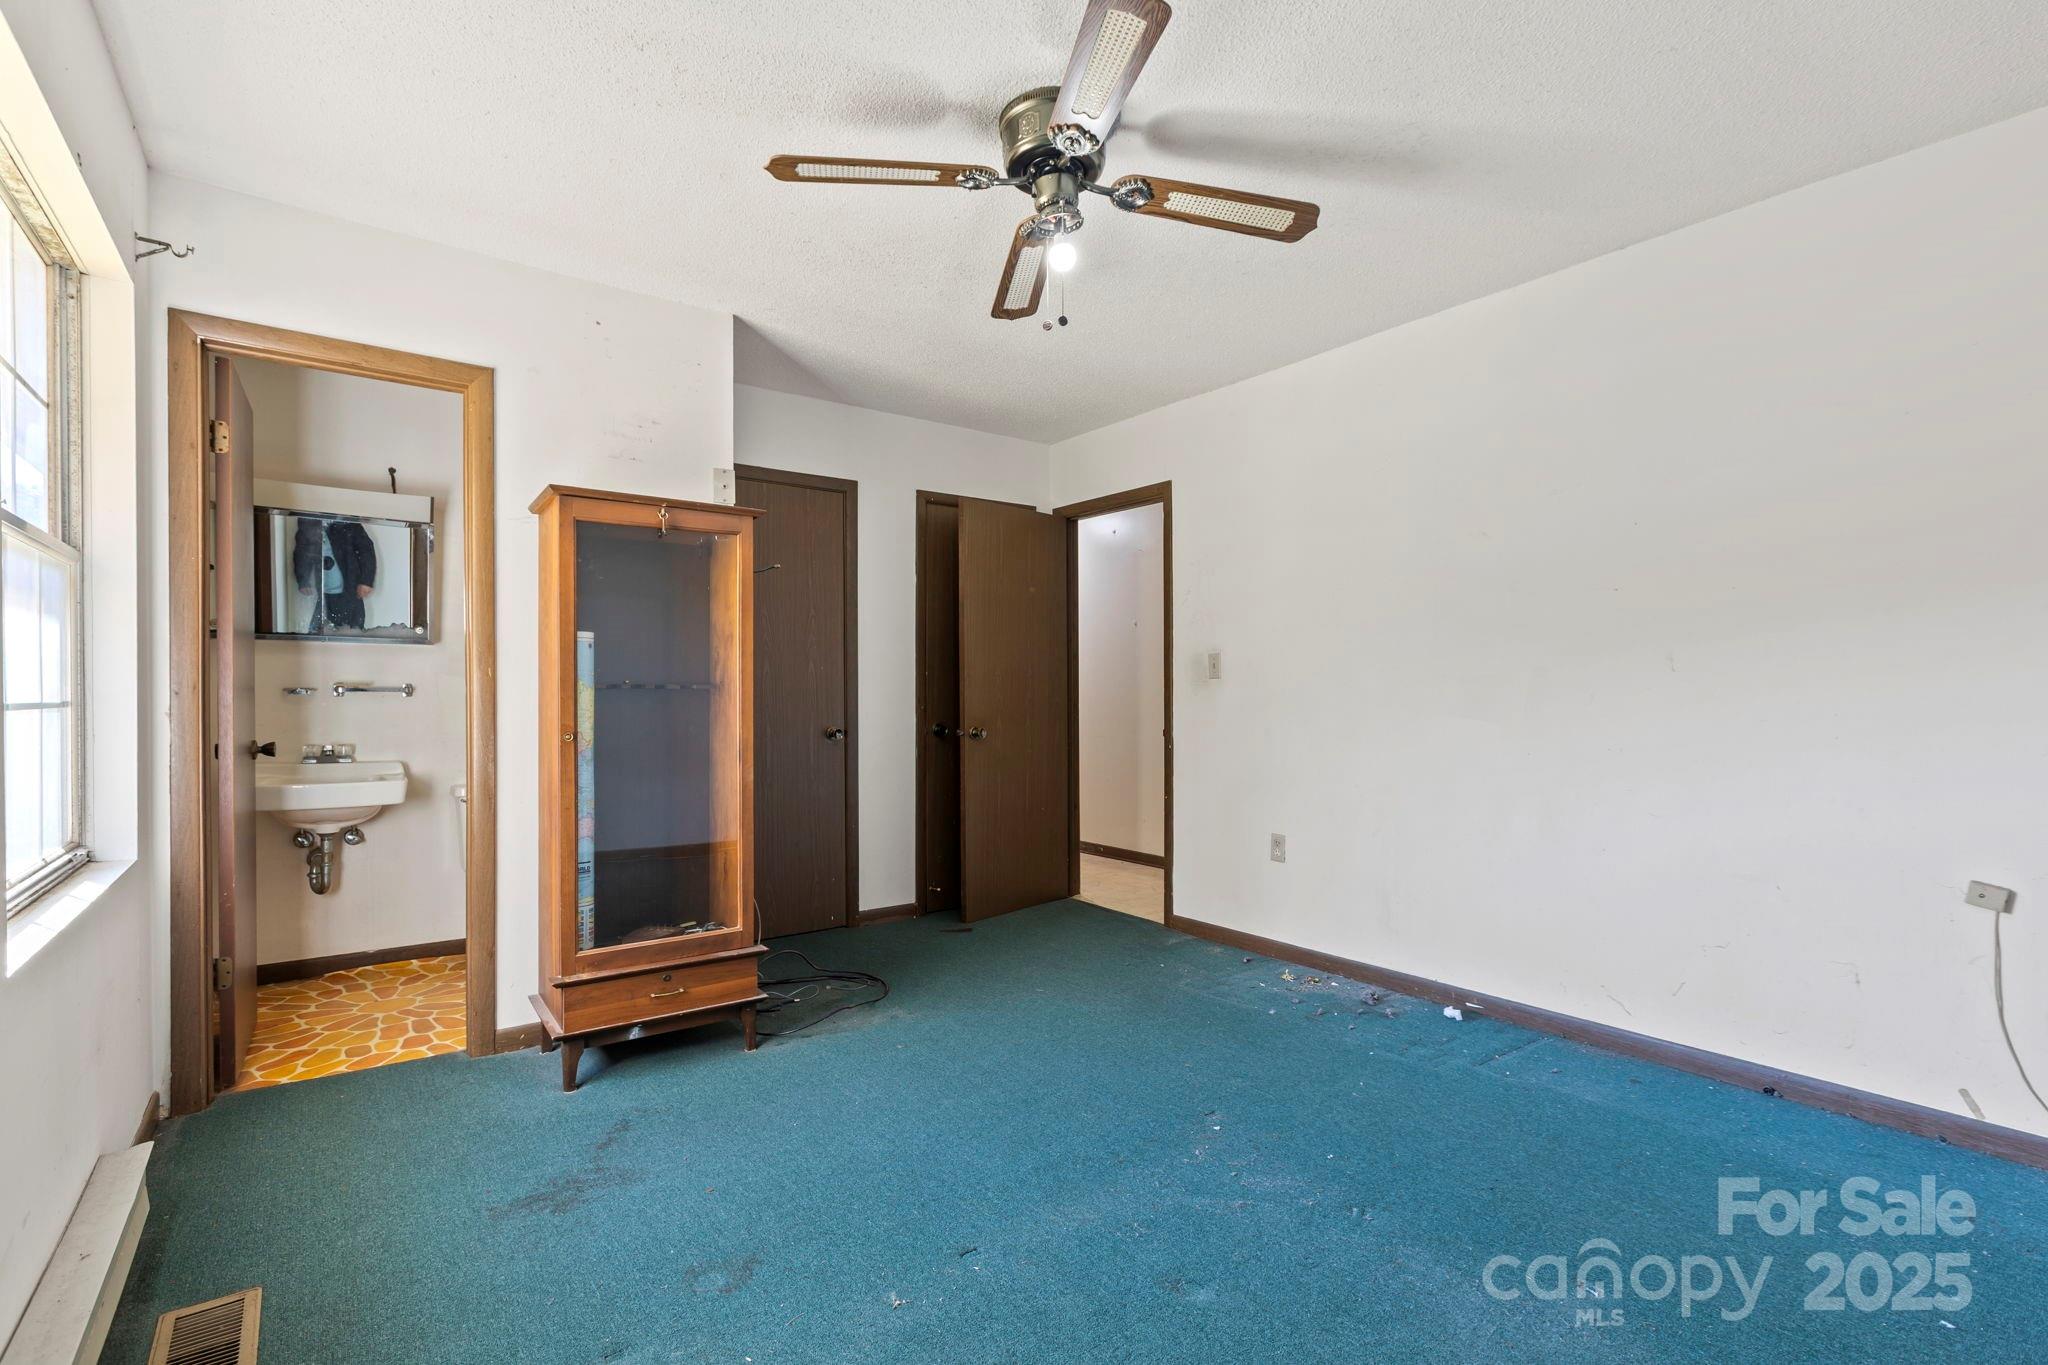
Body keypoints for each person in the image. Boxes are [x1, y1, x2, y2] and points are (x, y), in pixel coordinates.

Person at [293, 516, 377, 632]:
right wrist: (303, 580)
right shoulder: (308, 525)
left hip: (349, 589)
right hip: (324, 592)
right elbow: (301, 553)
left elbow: (366, 550)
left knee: (353, 628)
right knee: (319, 629)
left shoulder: (348, 523)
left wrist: (366, 580)